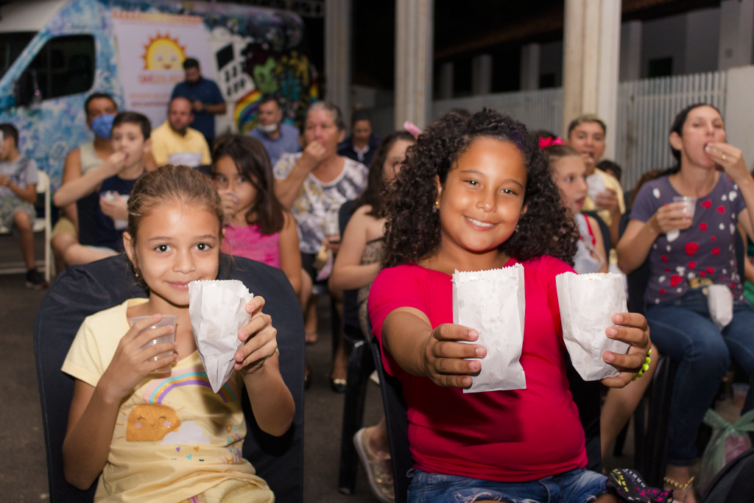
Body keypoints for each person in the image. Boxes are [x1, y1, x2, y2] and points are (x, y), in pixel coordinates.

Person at [368, 109, 652, 503]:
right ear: (437, 188)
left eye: (508, 190)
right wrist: (428, 351)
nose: (487, 203)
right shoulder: (402, 279)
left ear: (523, 205)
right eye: (472, 182)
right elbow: (403, 329)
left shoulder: (547, 273)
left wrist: (630, 354)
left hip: (573, 478)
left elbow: (608, 343)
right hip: (461, 484)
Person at [61, 165, 293, 501]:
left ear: (220, 244)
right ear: (131, 249)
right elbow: (78, 474)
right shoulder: (101, 332)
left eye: (201, 246)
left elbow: (278, 427)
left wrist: (256, 369)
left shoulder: (240, 323)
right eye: (162, 248)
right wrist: (111, 387)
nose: (184, 265)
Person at [617, 103, 754, 502]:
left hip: (730, 301)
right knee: (707, 349)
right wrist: (655, 225)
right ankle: (680, 463)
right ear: (677, 139)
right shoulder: (654, 192)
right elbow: (626, 260)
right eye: (698, 124)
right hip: (671, 305)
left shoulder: (732, 189)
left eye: (718, 125)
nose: (710, 132)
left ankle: (741, 451)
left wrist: (744, 177)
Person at [545, 139, 660, 464]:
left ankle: (597, 448)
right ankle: (584, 453)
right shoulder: (539, 233)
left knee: (645, 354)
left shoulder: (591, 225)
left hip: (594, 328)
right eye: (570, 179)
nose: (583, 186)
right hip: (560, 331)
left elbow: (605, 284)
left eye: (584, 177)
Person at [329, 131, 415, 503]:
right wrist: (386, 267)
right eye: (397, 161)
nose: (404, 169)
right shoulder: (366, 216)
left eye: (412, 161)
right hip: (377, 301)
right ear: (380, 168)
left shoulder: (434, 210)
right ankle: (381, 439)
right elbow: (339, 279)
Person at [274, 101, 368, 390]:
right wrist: (304, 165)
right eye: (311, 127)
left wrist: (348, 240)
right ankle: (297, 359)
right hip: (298, 248)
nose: (317, 134)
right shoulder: (288, 164)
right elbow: (277, 209)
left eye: (325, 127)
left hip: (343, 250)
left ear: (340, 134)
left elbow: (365, 216)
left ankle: (340, 358)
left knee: (343, 288)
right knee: (296, 287)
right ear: (302, 135)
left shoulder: (357, 172)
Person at [53, 112, 151, 265]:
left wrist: (129, 215)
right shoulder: (103, 178)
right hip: (105, 252)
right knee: (73, 252)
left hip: (140, 252)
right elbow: (60, 198)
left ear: (146, 145)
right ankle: (124, 265)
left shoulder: (152, 182)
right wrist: (104, 171)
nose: (123, 144)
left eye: (131, 138)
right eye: (117, 138)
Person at [211, 135, 303, 295]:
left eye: (241, 179)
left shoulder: (281, 221)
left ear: (260, 180)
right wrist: (216, 221)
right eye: (222, 179)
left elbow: (294, 280)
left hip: (269, 307)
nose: (230, 188)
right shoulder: (209, 220)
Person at [52, 93, 118, 271]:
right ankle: (63, 291)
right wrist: (84, 233)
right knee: (62, 242)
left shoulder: (135, 151)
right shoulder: (77, 155)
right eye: (96, 113)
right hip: (80, 218)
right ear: (88, 122)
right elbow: (67, 200)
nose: (104, 117)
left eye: (108, 111)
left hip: (121, 216)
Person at [0, 123, 47, 289]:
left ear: (10, 141)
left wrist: (10, 185)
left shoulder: (27, 164)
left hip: (20, 206)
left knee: (22, 217)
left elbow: (32, 198)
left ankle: (31, 270)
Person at [567, 114, 625, 247]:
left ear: (604, 147)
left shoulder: (611, 183)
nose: (589, 143)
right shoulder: (556, 178)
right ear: (568, 143)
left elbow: (616, 244)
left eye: (597, 138)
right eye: (581, 137)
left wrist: (615, 213)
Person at [171, 57, 226, 147]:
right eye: (188, 74)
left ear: (199, 71)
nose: (191, 77)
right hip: (182, 135)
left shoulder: (211, 85)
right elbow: (171, 110)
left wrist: (204, 107)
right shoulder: (179, 88)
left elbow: (223, 108)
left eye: (194, 74)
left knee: (206, 161)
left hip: (206, 135)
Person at [151, 97, 211, 168]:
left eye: (183, 113)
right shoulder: (157, 135)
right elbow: (161, 172)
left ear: (191, 117)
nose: (178, 117)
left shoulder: (198, 136)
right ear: (168, 115)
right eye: (174, 113)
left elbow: (206, 167)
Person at [247, 95, 301, 167]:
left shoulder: (294, 135)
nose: (264, 117)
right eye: (261, 113)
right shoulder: (251, 138)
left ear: (279, 116)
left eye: (269, 113)